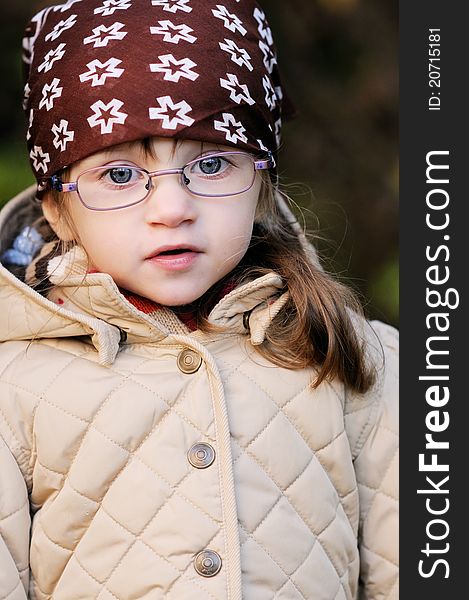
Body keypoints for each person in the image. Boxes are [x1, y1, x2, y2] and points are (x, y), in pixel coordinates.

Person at [0, 1, 398, 598]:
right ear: (58, 208)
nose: (171, 209)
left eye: (210, 164)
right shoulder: (14, 385)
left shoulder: (356, 358)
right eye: (118, 174)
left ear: (261, 181)